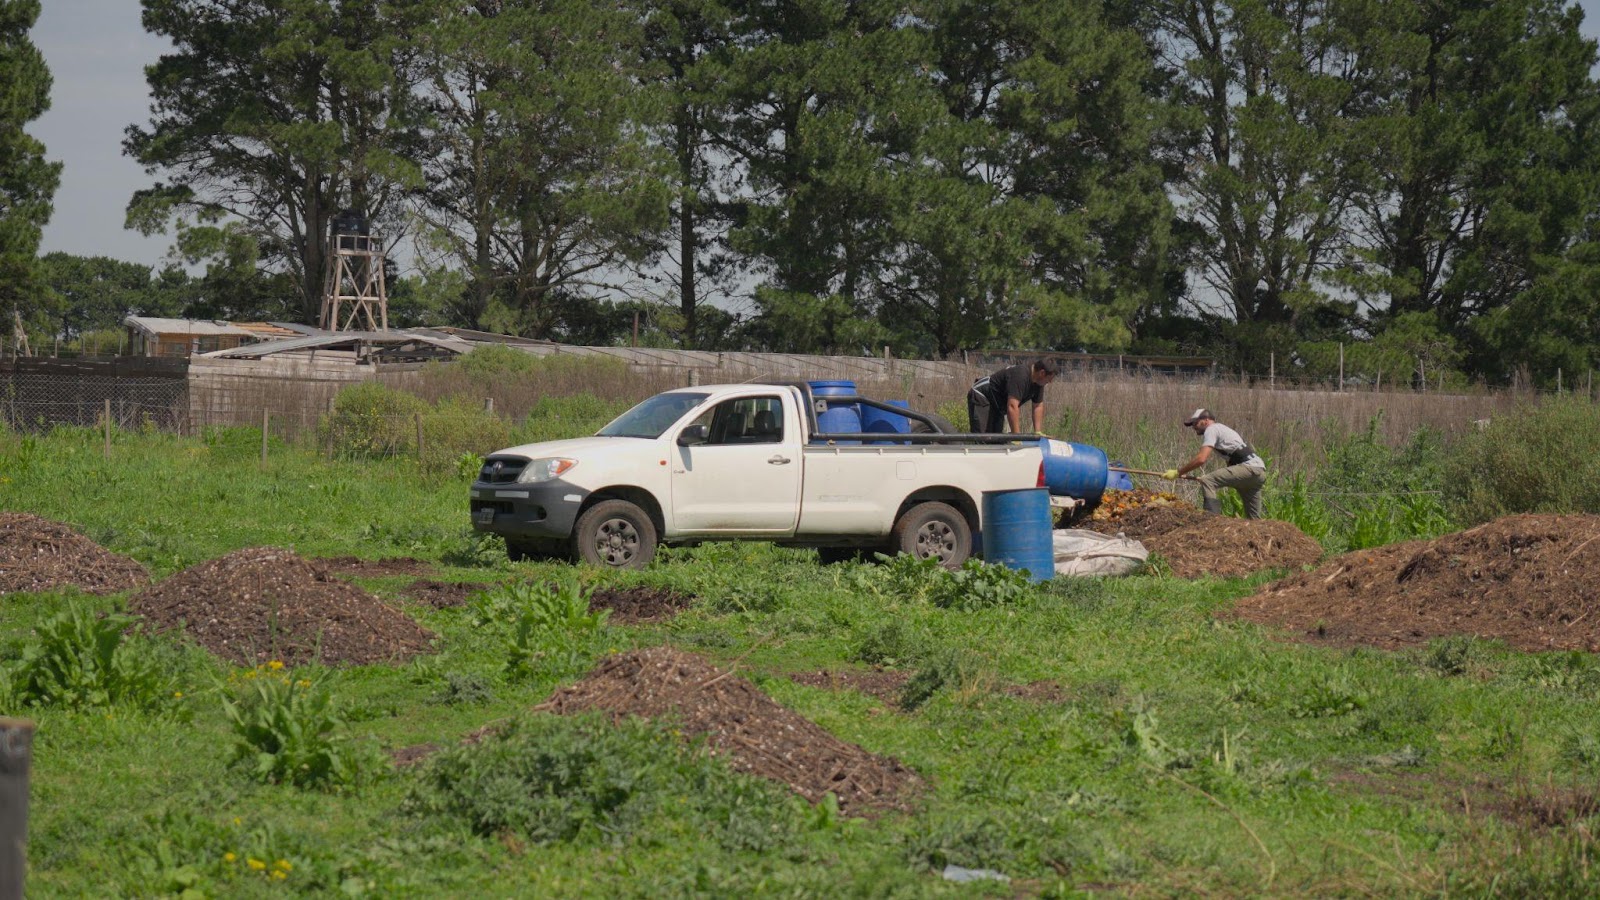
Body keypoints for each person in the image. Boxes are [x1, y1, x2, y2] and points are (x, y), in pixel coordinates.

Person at [1165, 408, 1266, 518]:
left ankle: (1211, 521)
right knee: (1254, 521)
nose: (1193, 426)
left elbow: (1201, 459)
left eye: (1195, 423)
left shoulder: (1211, 429)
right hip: (1258, 472)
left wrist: (1178, 472)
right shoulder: (1223, 429)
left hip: (1249, 468)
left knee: (1208, 480)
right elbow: (1234, 458)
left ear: (1206, 420)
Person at [967, 360, 1057, 433]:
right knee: (984, 439)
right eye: (1049, 379)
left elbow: (1038, 406)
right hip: (981, 395)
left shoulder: (1039, 383)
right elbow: (1012, 406)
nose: (1050, 382)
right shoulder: (1021, 375)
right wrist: (1016, 436)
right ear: (1042, 373)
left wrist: (1038, 432)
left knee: (996, 440)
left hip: (997, 404)